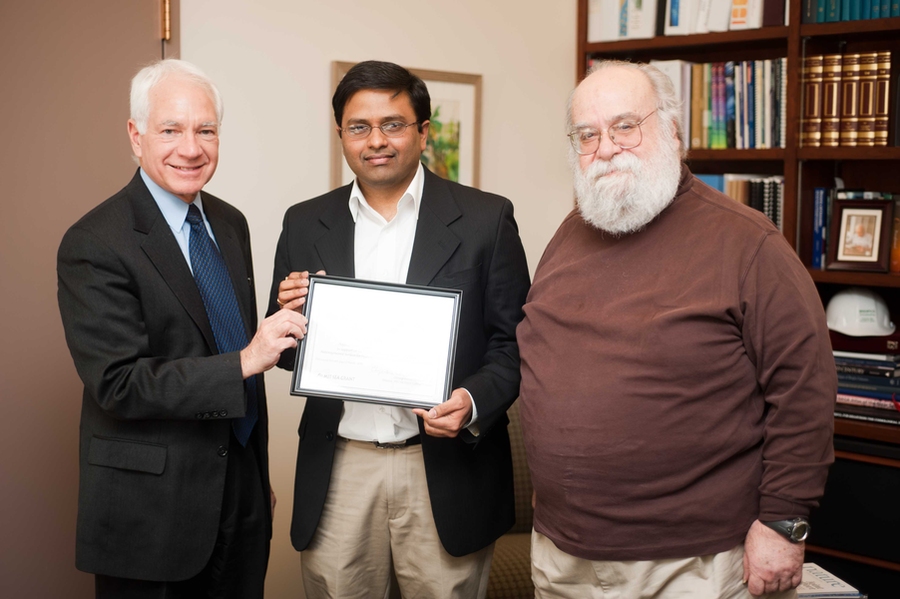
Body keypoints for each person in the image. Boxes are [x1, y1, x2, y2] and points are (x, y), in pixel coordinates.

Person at [516, 60, 836, 598]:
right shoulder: (571, 233)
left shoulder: (746, 242)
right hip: (562, 555)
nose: (607, 147)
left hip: (691, 563)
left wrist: (785, 523)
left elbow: (804, 390)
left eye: (624, 125)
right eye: (587, 135)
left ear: (673, 132)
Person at [269, 60, 531, 598]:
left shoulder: (486, 220)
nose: (376, 141)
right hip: (341, 466)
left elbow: (516, 344)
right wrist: (293, 321)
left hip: (443, 469)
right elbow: (290, 355)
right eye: (359, 127)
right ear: (341, 134)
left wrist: (472, 401)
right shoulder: (304, 221)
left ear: (423, 132)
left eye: (393, 124)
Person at [57, 59, 308, 598]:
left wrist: (253, 480)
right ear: (136, 135)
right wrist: (246, 359)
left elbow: (222, 337)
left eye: (206, 130)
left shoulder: (230, 222)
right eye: (170, 129)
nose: (190, 148)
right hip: (152, 513)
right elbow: (118, 383)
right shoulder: (95, 241)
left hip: (240, 498)